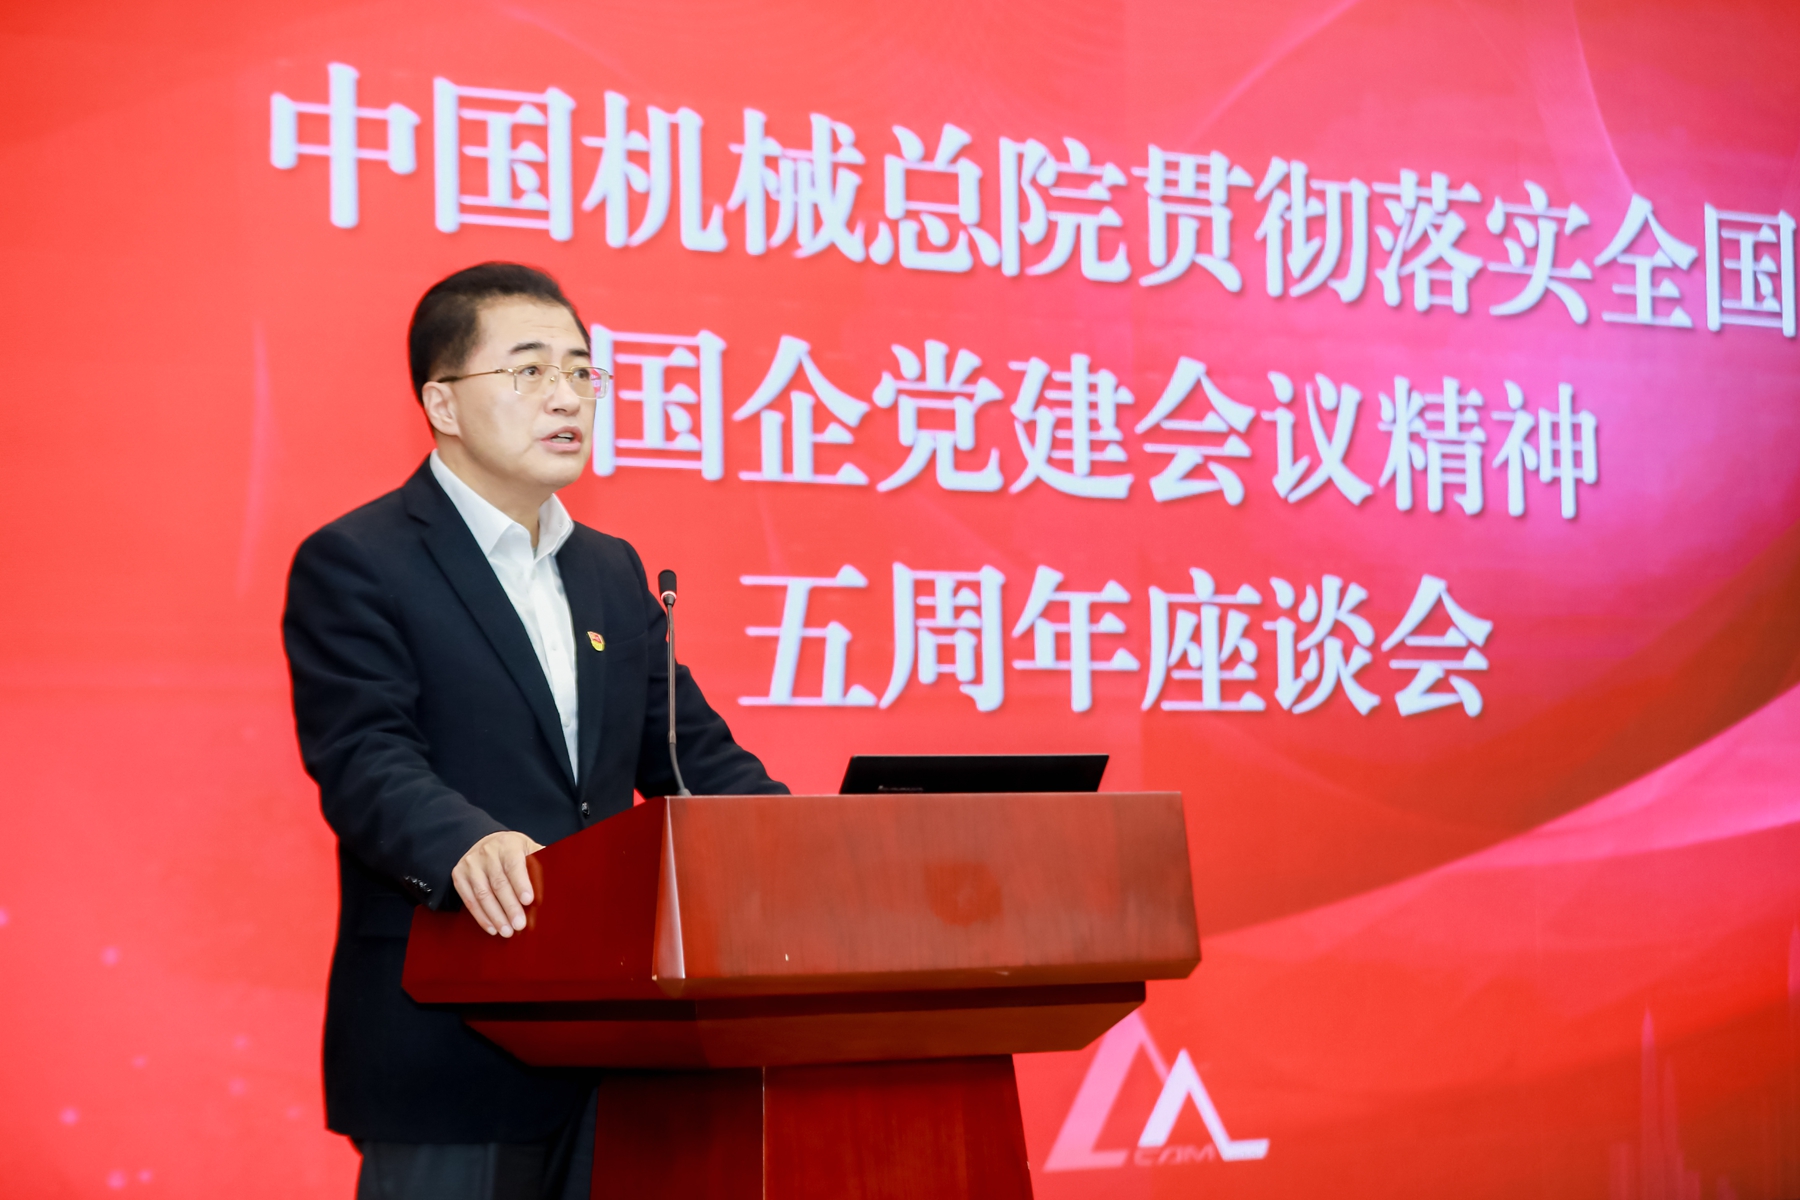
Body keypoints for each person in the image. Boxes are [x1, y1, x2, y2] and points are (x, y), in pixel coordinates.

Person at [282, 262, 786, 1200]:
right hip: (450, 1037)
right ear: (441, 401)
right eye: (529, 370)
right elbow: (364, 757)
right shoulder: (359, 561)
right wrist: (467, 842)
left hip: (618, 1049)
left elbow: (690, 759)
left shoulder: (610, 570)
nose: (566, 396)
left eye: (582, 371)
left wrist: (809, 848)